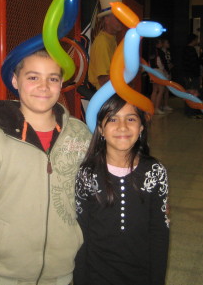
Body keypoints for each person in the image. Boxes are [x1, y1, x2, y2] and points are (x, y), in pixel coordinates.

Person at [0, 50, 92, 285]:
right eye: (33, 77)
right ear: (15, 80)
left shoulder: (80, 135)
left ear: (61, 83)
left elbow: (99, 190)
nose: (44, 86)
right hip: (3, 274)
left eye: (52, 78)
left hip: (63, 271)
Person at [74, 94, 170, 285]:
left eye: (131, 118)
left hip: (140, 275)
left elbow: (159, 233)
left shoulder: (155, 171)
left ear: (142, 127)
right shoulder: (87, 174)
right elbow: (81, 234)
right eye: (112, 119)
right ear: (100, 128)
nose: (122, 126)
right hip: (96, 276)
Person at [88, 0, 124, 90]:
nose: (122, 20)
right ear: (106, 20)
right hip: (105, 97)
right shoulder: (103, 42)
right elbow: (103, 80)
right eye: (117, 17)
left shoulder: (111, 38)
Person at [181, 33, 202, 118]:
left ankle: (191, 110)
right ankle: (191, 111)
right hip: (192, 75)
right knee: (192, 92)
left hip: (188, 74)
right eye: (196, 39)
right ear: (193, 40)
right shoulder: (191, 50)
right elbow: (194, 64)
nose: (197, 41)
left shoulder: (186, 49)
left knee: (189, 92)